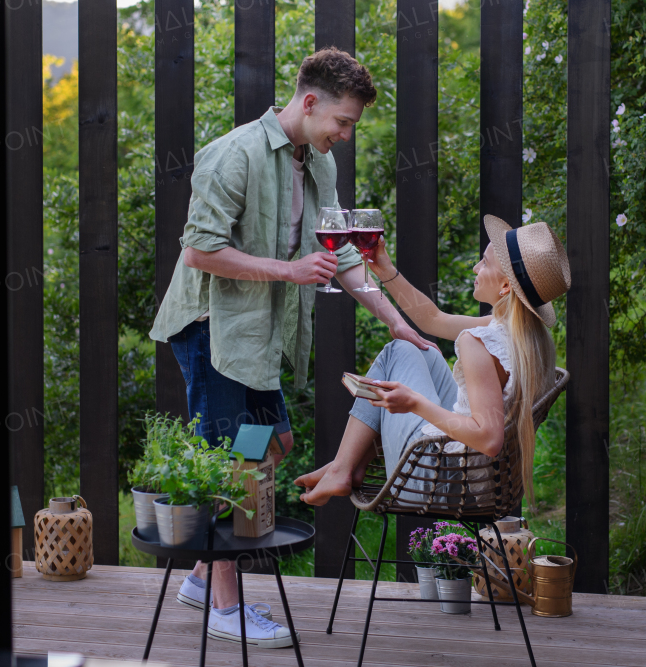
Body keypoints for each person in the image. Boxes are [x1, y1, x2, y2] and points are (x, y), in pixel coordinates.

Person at [149, 47, 436, 649]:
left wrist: (395, 321)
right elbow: (198, 251)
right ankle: (226, 610)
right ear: (309, 103)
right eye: (344, 121)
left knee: (273, 445)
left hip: (255, 331)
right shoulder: (234, 154)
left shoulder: (318, 166)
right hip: (210, 324)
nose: (346, 134)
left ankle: (203, 576)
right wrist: (287, 271)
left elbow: (343, 256)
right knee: (232, 459)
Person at [295, 215, 569, 512]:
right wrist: (386, 270)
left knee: (396, 351)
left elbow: (489, 439)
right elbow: (432, 320)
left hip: (435, 479)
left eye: (485, 263)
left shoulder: (477, 343)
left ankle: (342, 467)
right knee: (421, 350)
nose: (476, 268)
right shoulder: (529, 338)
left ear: (505, 287)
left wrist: (414, 403)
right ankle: (347, 466)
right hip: (480, 477)